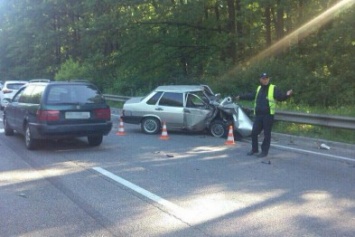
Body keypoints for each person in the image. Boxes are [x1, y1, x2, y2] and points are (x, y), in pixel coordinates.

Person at [236, 73, 293, 158]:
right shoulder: (259, 88)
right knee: (254, 132)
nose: (265, 80)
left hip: (268, 115)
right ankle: (254, 149)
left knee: (267, 134)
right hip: (259, 115)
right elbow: (251, 96)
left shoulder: (273, 88)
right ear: (260, 79)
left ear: (269, 79)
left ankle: (264, 151)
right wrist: (241, 97)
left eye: (266, 78)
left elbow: (280, 97)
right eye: (263, 78)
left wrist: (287, 95)